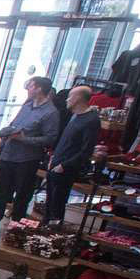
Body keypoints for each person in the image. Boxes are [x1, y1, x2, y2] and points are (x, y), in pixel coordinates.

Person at [0, 76, 61, 234]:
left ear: (39, 89)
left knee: (22, 193)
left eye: (31, 86)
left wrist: (24, 139)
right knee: (0, 191)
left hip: (27, 159)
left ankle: (16, 225)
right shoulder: (27, 105)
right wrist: (1, 146)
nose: (28, 88)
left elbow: (50, 138)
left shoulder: (50, 113)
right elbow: (13, 125)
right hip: (9, 154)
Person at [42, 86, 99, 225]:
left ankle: (52, 234)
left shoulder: (91, 120)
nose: (67, 99)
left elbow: (86, 150)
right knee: (49, 201)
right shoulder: (74, 116)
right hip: (57, 162)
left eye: (70, 96)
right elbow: (65, 140)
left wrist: (65, 165)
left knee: (58, 202)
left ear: (78, 98)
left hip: (66, 167)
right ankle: (43, 230)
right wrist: (54, 158)